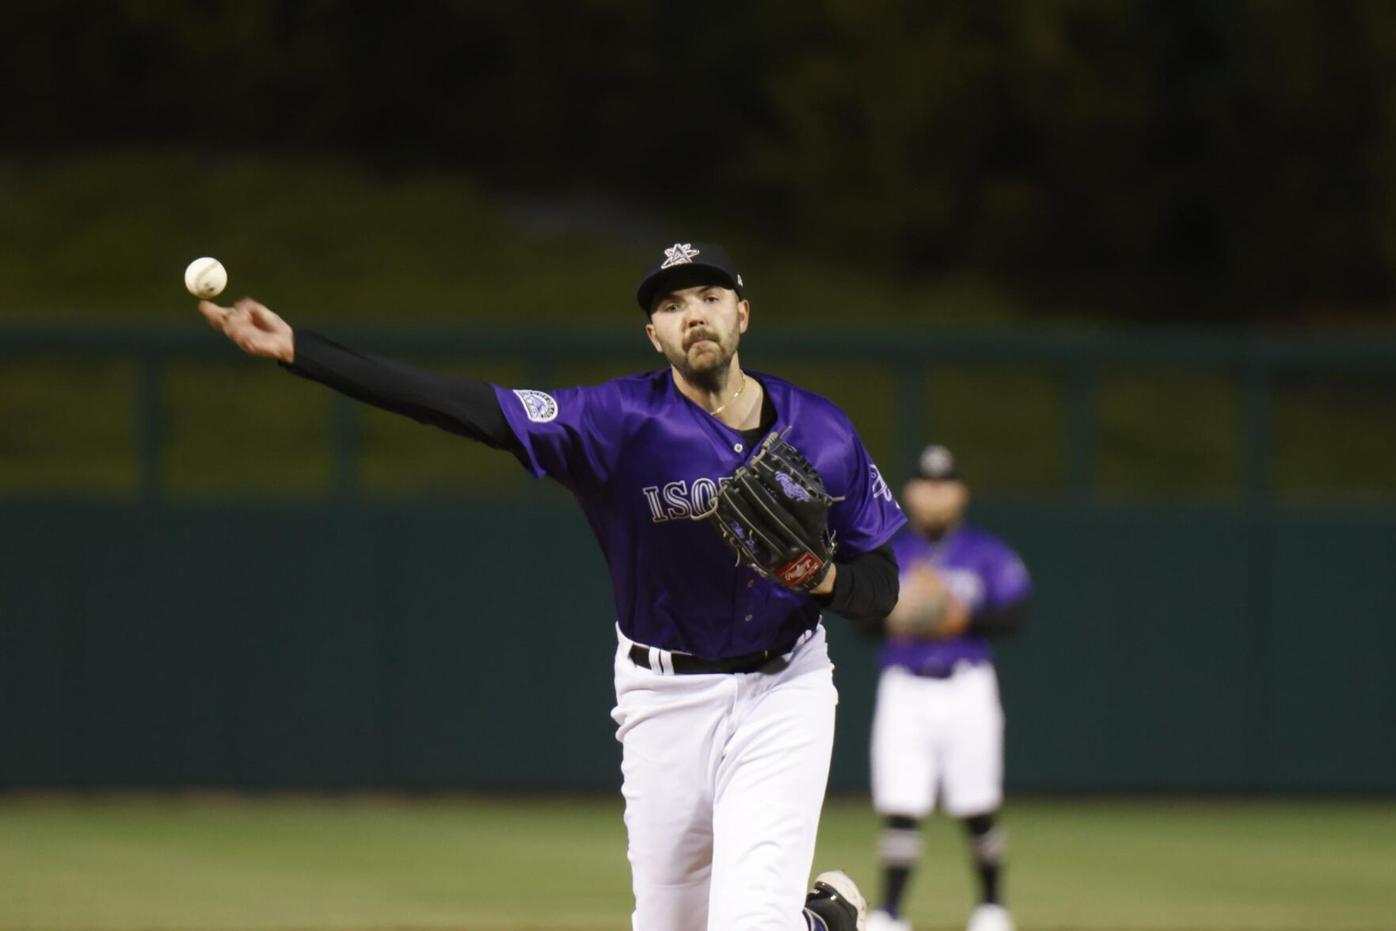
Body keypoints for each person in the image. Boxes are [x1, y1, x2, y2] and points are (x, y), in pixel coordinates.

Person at [198, 241, 906, 931]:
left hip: (783, 689)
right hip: (664, 697)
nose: (694, 314)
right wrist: (304, 351)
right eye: (672, 304)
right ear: (652, 334)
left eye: (710, 297)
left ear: (742, 315)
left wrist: (821, 577)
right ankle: (821, 921)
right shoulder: (617, 421)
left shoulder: (823, 431)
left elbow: (880, 583)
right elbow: (467, 405)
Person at [864, 446, 1031, 931]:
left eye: (944, 483)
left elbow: (1016, 615)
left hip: (967, 686)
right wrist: (899, 614)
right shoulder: (892, 551)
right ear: (912, 493)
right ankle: (891, 913)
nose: (935, 492)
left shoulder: (985, 551)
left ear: (960, 494)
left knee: (977, 802)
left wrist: (961, 615)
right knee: (901, 802)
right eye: (926, 483)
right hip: (905, 686)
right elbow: (862, 620)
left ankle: (992, 907)